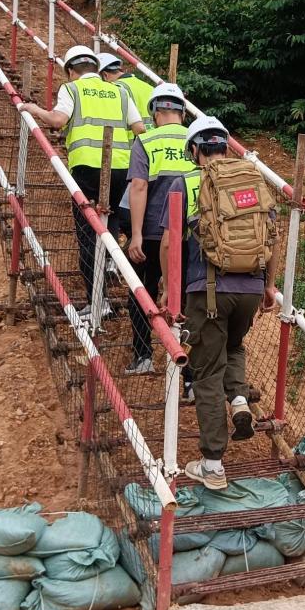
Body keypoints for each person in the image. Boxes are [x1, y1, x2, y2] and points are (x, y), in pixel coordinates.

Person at [159, 115, 279, 490]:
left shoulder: (184, 183)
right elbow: (272, 237)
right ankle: (239, 400)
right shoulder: (253, 180)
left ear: (194, 150)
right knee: (234, 345)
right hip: (250, 289)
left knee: (207, 373)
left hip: (208, 291)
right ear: (225, 147)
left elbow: (169, 243)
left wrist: (169, 289)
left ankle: (212, 465)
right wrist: (269, 286)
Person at [18, 44, 144, 317]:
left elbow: (57, 120)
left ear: (71, 71)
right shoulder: (120, 91)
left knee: (88, 234)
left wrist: (33, 109)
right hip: (119, 168)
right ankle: (111, 266)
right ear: (97, 69)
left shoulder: (72, 89)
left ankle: (98, 301)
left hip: (86, 168)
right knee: (109, 221)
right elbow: (139, 127)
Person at [124, 82, 198, 400]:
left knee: (141, 291)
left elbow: (139, 187)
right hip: (192, 235)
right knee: (188, 302)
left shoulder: (146, 140)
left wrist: (136, 234)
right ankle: (191, 379)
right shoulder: (197, 140)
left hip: (155, 231)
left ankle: (143, 355)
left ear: (155, 112)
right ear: (182, 111)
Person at [99, 52, 154, 131]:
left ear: (105, 75)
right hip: (154, 137)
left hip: (132, 138)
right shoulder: (148, 87)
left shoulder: (116, 90)